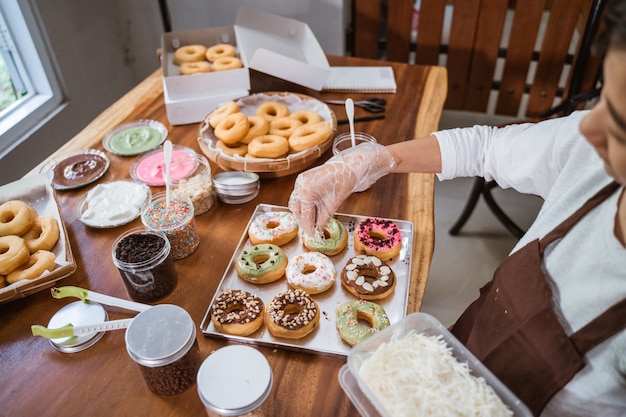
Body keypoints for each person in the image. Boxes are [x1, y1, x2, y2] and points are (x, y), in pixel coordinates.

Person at [288, 1, 626, 415]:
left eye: (619, 121)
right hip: (451, 367)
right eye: (603, 100)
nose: (586, 127)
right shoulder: (588, 147)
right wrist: (375, 160)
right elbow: (486, 147)